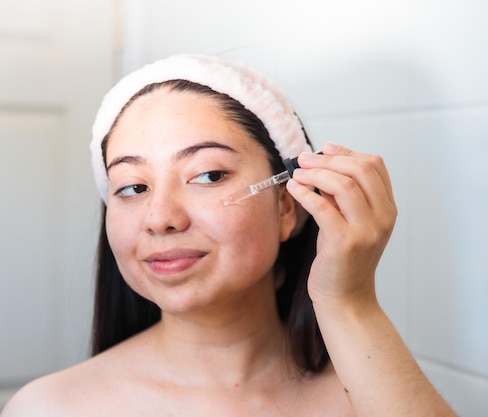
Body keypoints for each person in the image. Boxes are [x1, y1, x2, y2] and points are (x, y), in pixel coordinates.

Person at [2, 54, 457, 416]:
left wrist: (349, 301)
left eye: (208, 175)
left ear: (286, 205)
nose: (160, 217)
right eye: (133, 187)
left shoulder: (373, 401)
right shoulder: (48, 409)